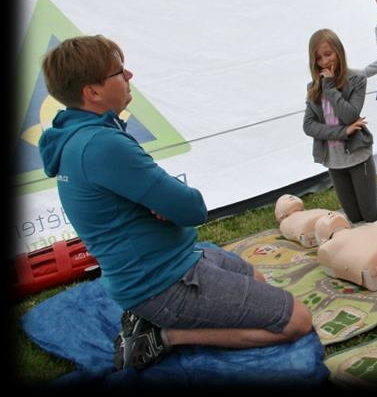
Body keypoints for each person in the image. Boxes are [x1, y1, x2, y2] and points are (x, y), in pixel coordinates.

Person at [37, 35, 313, 371]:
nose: (129, 76)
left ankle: (153, 322)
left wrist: (164, 204)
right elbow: (191, 208)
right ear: (92, 92)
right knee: (296, 320)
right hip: (162, 280)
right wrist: (167, 205)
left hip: (168, 260)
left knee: (254, 278)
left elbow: (170, 205)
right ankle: (164, 335)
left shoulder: (80, 136)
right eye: (119, 72)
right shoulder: (101, 145)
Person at [303, 28, 377, 224]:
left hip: (357, 154)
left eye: (328, 54)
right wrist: (343, 132)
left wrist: (329, 87)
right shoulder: (312, 88)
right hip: (334, 160)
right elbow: (309, 126)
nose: (324, 62)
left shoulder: (356, 79)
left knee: (371, 216)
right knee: (354, 217)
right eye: (318, 58)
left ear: (339, 51)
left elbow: (349, 114)